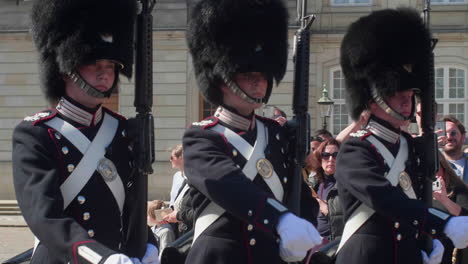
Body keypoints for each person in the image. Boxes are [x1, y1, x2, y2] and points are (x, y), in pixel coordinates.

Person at [11, 0, 158, 263]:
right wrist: (100, 258)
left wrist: (149, 244)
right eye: (94, 64)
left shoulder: (122, 130)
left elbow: (131, 205)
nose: (105, 74)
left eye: (111, 66)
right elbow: (45, 216)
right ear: (67, 70)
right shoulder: (36, 134)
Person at [182, 0, 321, 263]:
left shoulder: (276, 134)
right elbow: (227, 184)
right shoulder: (202, 137)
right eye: (247, 74)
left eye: (264, 74)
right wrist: (281, 219)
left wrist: (303, 236)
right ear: (222, 79)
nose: (258, 82)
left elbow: (299, 194)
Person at [335, 8, 468, 264]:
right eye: (398, 95)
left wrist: (428, 242)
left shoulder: (410, 145)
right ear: (373, 101)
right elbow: (385, 198)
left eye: (410, 96)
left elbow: (421, 199)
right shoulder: (356, 149)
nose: (407, 101)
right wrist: (442, 224)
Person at [433, 154, 468, 264]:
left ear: (445, 169)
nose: (432, 175)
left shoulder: (459, 189)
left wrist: (445, 200)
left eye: (435, 170)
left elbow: (465, 218)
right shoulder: (418, 191)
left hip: (451, 255)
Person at [313, 139, 343, 241]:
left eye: (336, 155)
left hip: (335, 245)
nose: (331, 159)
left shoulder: (347, 183)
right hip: (313, 244)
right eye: (325, 155)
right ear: (319, 159)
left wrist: (325, 208)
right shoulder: (315, 183)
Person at [441, 116, 468, 182]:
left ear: (463, 137)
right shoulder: (434, 165)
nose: (449, 137)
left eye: (453, 133)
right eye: (444, 134)